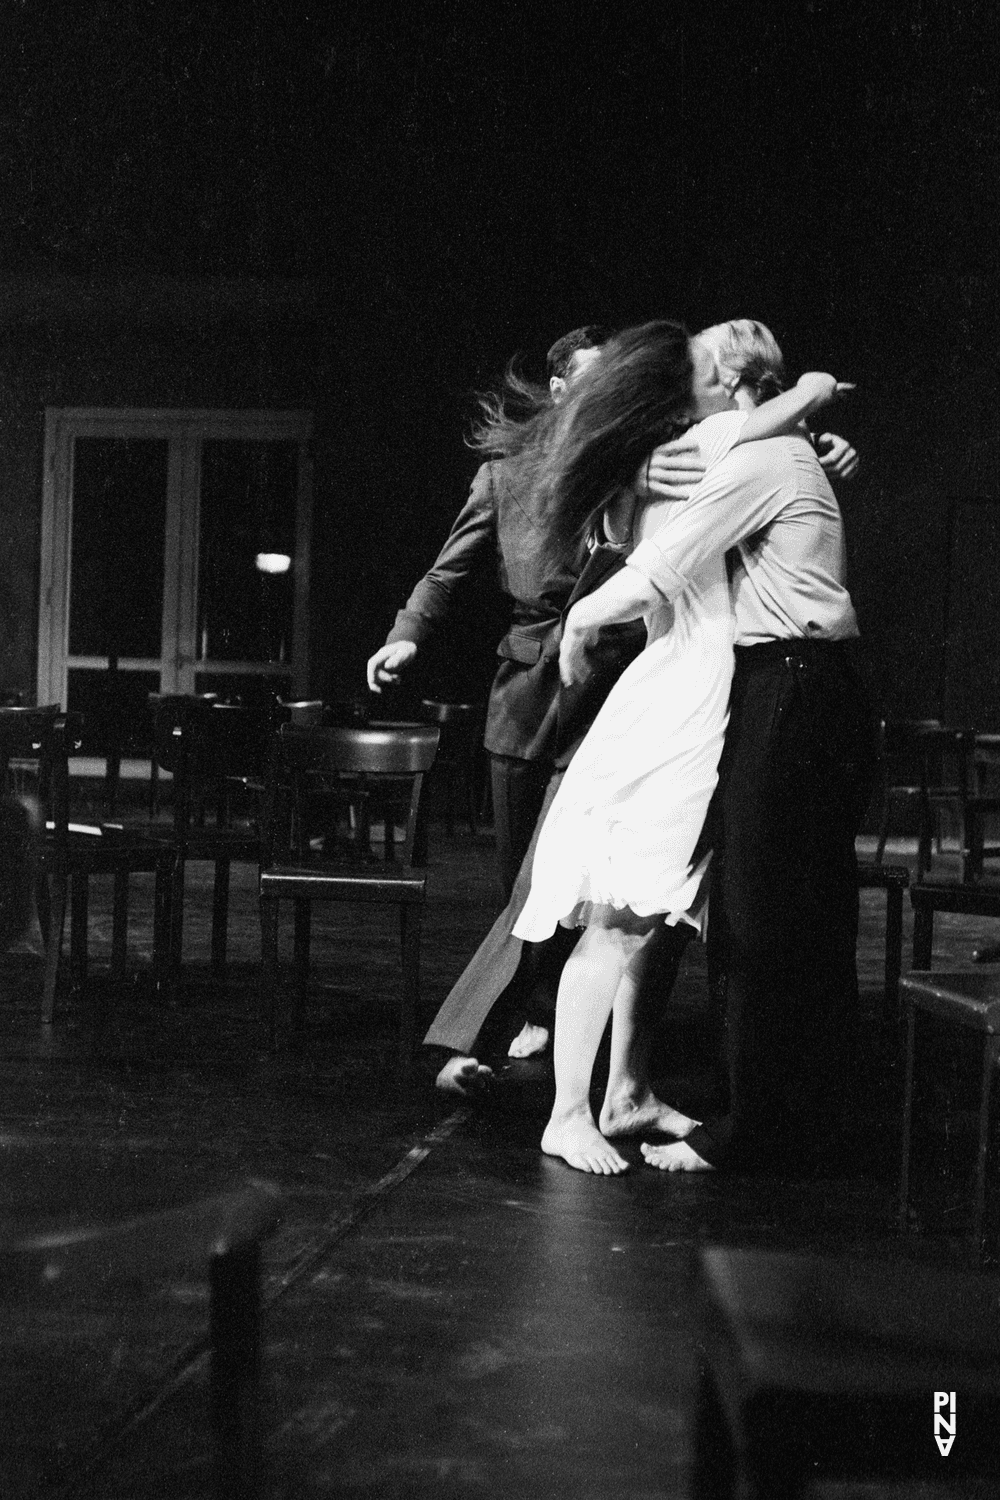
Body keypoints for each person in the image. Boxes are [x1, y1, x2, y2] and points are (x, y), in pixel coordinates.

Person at [424, 326, 860, 1098]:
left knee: (637, 897)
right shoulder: (642, 456)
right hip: (635, 681)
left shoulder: (678, 449)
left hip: (653, 676)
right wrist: (815, 390)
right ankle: (538, 1073)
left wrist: (809, 426)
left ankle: (622, 1084)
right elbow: (747, 432)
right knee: (582, 892)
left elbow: (752, 436)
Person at [556, 318, 876, 1174]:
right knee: (781, 913)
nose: (676, 382)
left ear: (733, 378)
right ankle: (782, 1114)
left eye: (694, 366)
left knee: (761, 919)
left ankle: (750, 1127)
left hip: (788, 684)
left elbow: (671, 557)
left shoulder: (758, 454)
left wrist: (583, 616)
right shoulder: (766, 444)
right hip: (799, 683)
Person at [369, 326, 707, 1064]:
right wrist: (407, 634)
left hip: (610, 690)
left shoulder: (639, 458)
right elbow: (447, 570)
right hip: (523, 694)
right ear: (559, 391)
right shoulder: (507, 472)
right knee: (521, 876)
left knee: (555, 877)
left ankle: (514, 1028)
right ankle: (531, 1021)